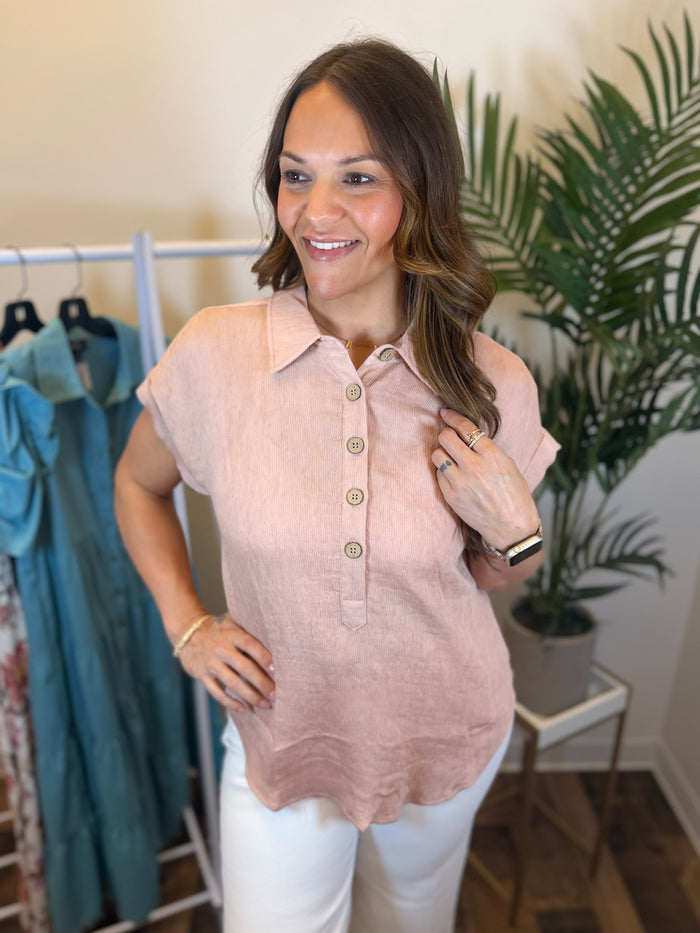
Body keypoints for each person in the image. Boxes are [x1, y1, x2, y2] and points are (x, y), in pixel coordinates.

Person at [114, 38, 559, 933]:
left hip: (447, 739)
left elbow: (493, 574)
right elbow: (136, 484)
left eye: (359, 178)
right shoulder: (215, 353)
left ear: (420, 192)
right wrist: (187, 622)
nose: (316, 210)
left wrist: (519, 531)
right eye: (294, 175)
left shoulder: (492, 381)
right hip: (283, 744)